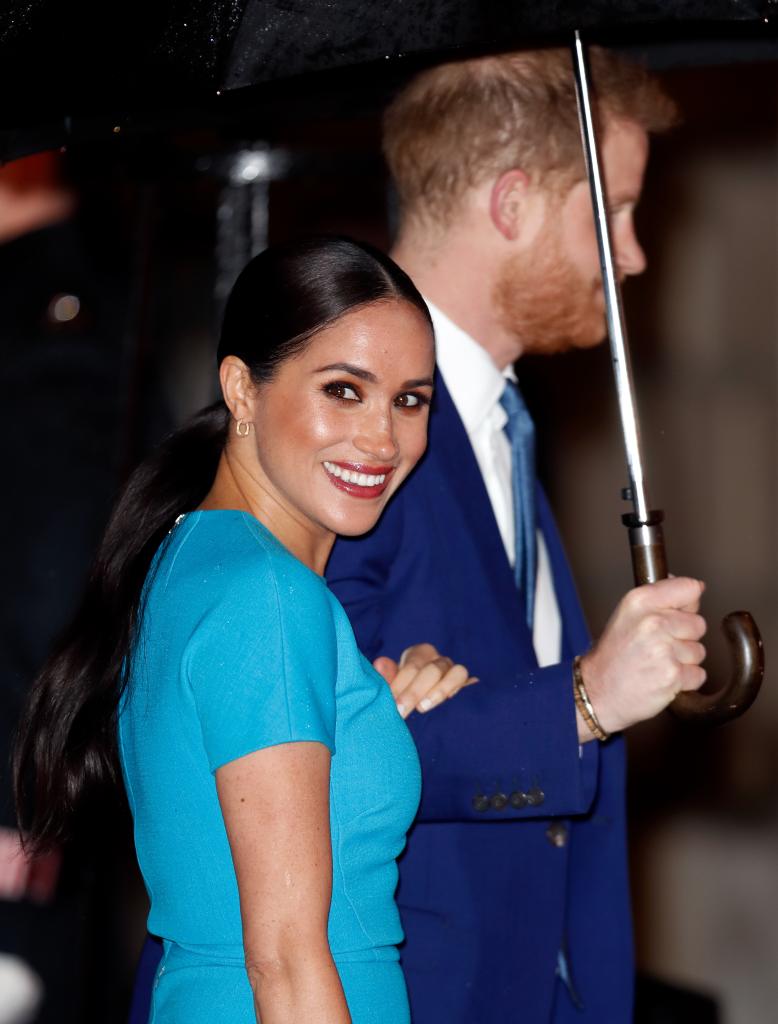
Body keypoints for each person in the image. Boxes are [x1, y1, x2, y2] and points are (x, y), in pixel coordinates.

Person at [323, 48, 707, 1023]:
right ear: (512, 204)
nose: (634, 256)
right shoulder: (342, 423)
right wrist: (586, 697)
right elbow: (310, 743)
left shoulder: (493, 416)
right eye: (612, 211)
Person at [14, 235, 474, 1024]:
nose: (382, 438)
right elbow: (288, 963)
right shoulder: (266, 596)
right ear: (242, 389)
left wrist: (367, 706)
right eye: (343, 390)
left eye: (410, 399)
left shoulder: (197, 558)